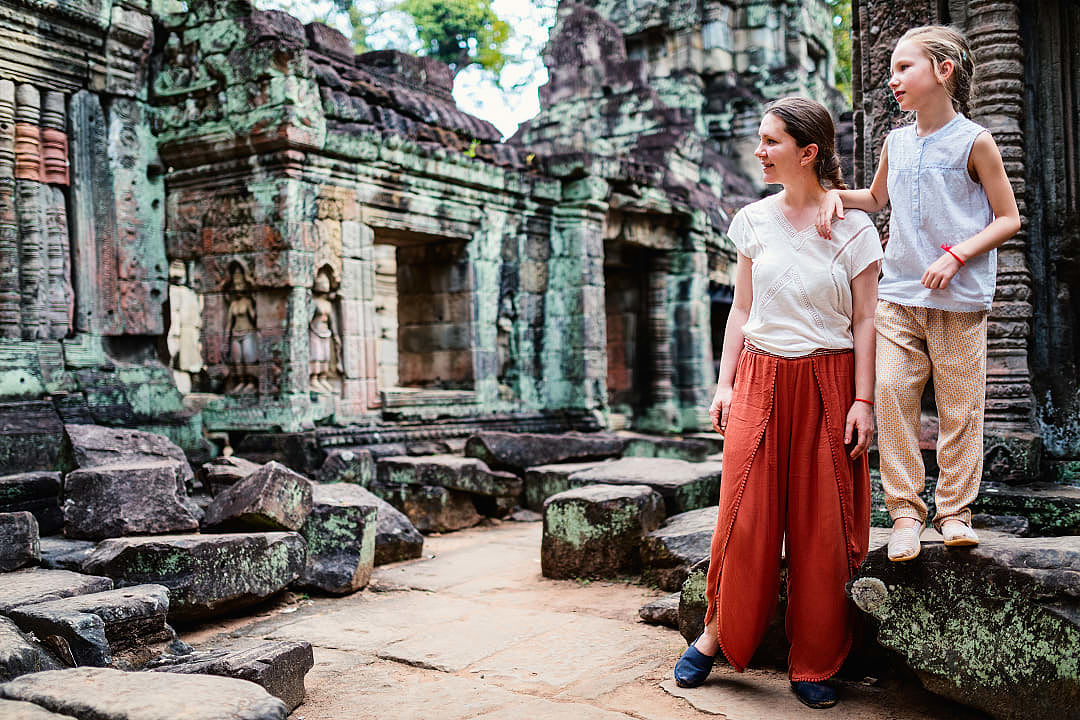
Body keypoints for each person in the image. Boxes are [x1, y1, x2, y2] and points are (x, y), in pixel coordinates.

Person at [674, 97, 881, 709]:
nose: (759, 151)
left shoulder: (854, 228)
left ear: (808, 152)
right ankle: (716, 634)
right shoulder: (753, 221)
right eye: (759, 139)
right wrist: (724, 384)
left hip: (829, 381)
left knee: (824, 527)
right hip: (759, 378)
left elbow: (866, 321)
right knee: (743, 517)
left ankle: (815, 661)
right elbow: (741, 309)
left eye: (771, 142)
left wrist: (863, 400)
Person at [816, 26, 1021, 562]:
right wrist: (835, 197)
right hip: (899, 294)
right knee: (891, 399)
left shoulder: (975, 141)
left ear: (943, 71)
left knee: (960, 408)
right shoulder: (896, 142)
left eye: (905, 67)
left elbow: (1008, 218)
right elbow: (876, 198)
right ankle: (906, 514)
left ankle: (955, 512)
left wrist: (957, 254)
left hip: (959, 300)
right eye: (892, 69)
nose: (894, 79)